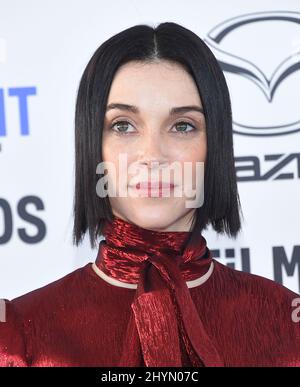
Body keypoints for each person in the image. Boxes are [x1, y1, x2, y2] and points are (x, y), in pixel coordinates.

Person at [0, 22, 299, 367]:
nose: (153, 155)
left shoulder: (287, 328)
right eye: (123, 125)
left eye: (183, 125)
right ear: (92, 145)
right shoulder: (19, 337)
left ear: (214, 146)